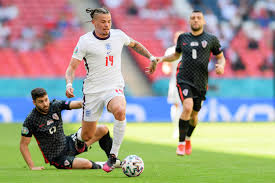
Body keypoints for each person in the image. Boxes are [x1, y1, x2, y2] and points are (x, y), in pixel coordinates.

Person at [65, 7, 157, 172]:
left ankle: (113, 156)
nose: (107, 25)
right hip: (92, 92)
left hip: (114, 87)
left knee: (120, 110)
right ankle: (77, 138)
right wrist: (69, 84)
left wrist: (150, 57)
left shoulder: (118, 35)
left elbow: (135, 44)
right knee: (87, 135)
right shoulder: (85, 41)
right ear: (94, 22)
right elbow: (71, 67)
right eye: (103, 22)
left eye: (109, 21)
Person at [147, 10, 226, 156]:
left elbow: (220, 57)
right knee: (187, 107)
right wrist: (162, 58)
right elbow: (176, 55)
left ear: (203, 22)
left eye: (198, 18)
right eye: (193, 18)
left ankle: (188, 139)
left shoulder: (211, 39)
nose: (196, 20)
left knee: (194, 116)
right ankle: (181, 143)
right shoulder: (183, 38)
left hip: (201, 81)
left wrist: (221, 65)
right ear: (189, 21)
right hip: (183, 78)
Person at [20, 88, 114, 170]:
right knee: (87, 164)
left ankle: (113, 160)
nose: (45, 104)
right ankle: (104, 165)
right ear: (34, 102)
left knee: (103, 129)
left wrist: (90, 103)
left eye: (46, 99)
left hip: (68, 143)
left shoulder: (55, 105)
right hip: (58, 157)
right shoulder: (31, 120)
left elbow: (76, 104)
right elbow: (23, 145)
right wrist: (32, 166)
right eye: (41, 101)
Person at [162, 31, 184, 138]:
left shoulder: (190, 51)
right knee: (176, 105)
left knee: (188, 106)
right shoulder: (170, 51)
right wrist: (166, 68)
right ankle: (177, 128)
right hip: (175, 82)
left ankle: (184, 128)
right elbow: (165, 65)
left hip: (189, 82)